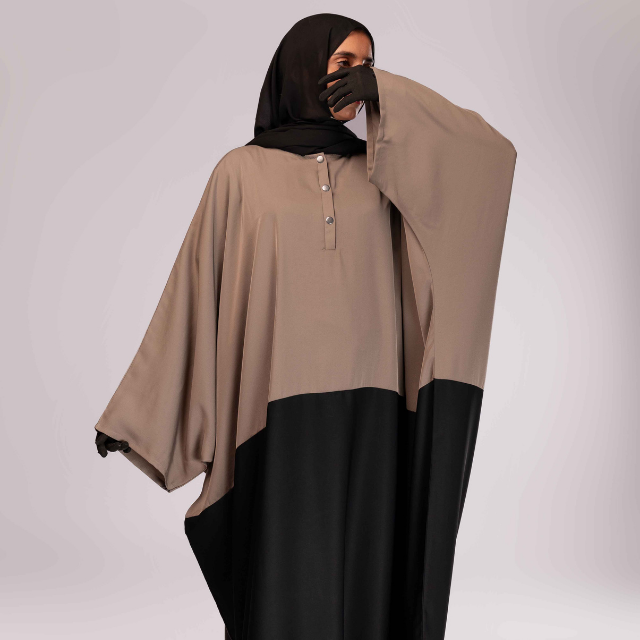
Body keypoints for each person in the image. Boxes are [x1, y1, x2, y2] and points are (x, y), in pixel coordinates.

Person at [94, 12, 517, 640]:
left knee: (372, 576)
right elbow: (197, 288)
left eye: (367, 65)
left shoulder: (388, 173)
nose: (357, 77)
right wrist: (138, 417)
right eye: (344, 63)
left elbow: (489, 158)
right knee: (286, 576)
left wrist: (391, 95)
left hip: (377, 411)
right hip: (276, 411)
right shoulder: (240, 173)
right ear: (301, 67)